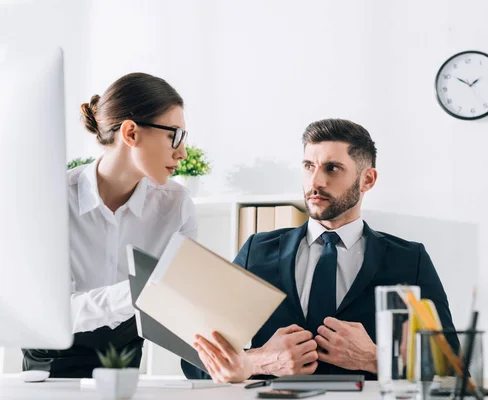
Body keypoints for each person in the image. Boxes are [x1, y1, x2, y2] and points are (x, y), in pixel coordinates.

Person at [181, 118, 458, 382]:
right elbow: (194, 359)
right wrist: (260, 360)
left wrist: (375, 358)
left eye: (332, 168)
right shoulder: (257, 251)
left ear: (368, 180)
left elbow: (453, 369)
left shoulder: (410, 260)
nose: (315, 182)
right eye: (308, 166)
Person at [22, 72, 198, 378]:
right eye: (175, 135)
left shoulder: (177, 204)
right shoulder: (50, 199)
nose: (182, 152)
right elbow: (52, 312)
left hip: (122, 364)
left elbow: (180, 309)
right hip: (49, 366)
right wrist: (140, 289)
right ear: (130, 133)